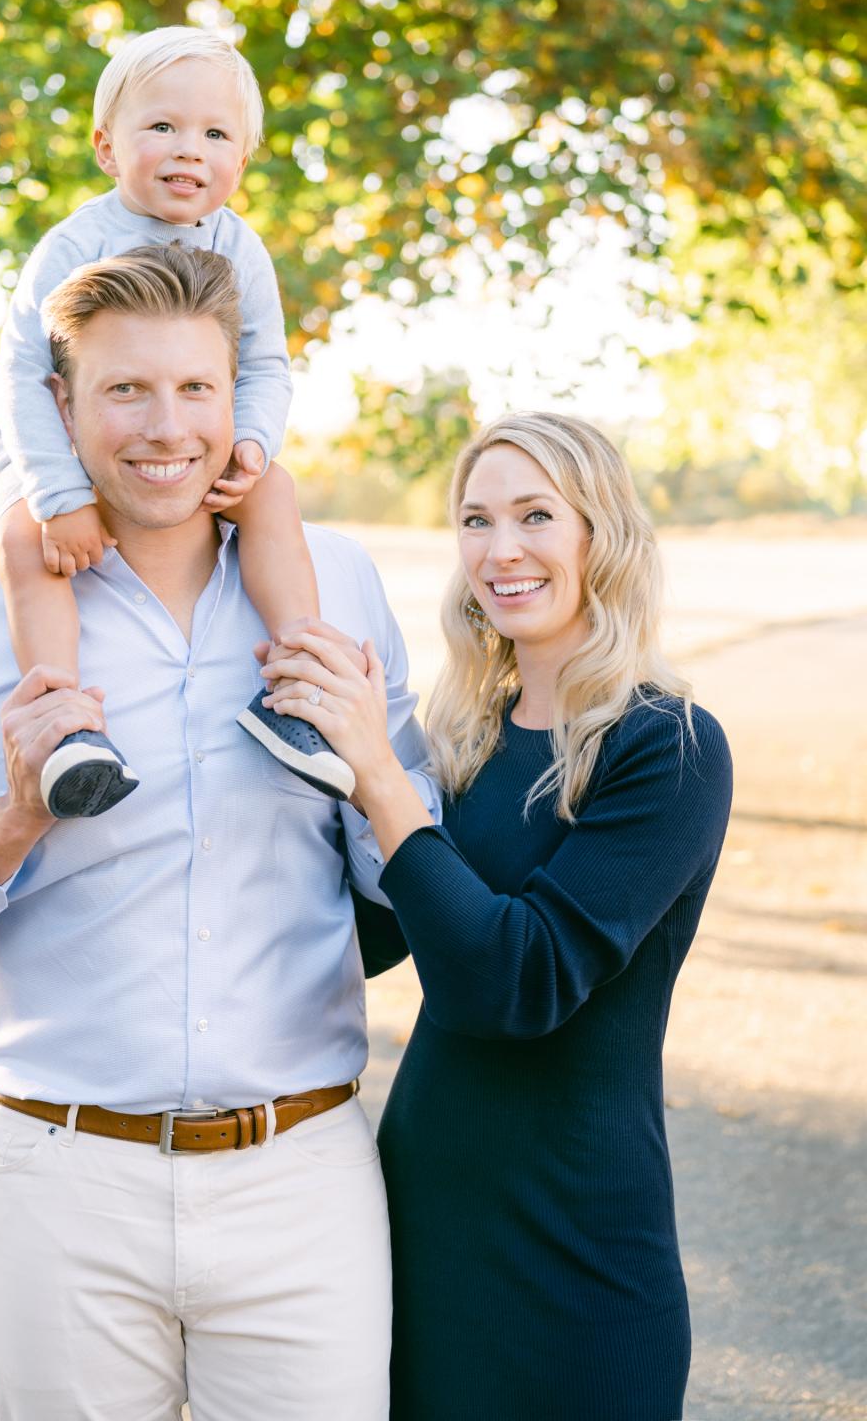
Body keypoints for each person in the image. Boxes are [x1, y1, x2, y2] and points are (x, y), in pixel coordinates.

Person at [0, 244, 437, 1421]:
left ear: (236, 397)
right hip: (58, 1187)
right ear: (61, 407)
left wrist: (370, 770)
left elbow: (409, 892)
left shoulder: (337, 591)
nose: (167, 426)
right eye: (125, 390)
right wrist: (9, 821)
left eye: (197, 388)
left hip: (303, 1179)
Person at [258, 411, 734, 1421]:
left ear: (599, 533)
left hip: (582, 1250)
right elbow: (371, 934)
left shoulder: (670, 746)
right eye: (475, 520)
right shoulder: (460, 738)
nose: (500, 549)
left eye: (534, 515)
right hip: (422, 1224)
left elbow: (515, 982)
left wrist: (379, 780)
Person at [0, 25, 351, 819]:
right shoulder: (75, 245)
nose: (190, 149)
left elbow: (262, 365)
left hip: (184, 446)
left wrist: (250, 442)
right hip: (53, 443)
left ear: (240, 162)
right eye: (162, 127)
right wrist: (58, 495)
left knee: (274, 494)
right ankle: (66, 728)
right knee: (25, 541)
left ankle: (297, 689)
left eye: (216, 134)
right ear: (108, 147)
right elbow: (20, 376)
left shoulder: (240, 249)